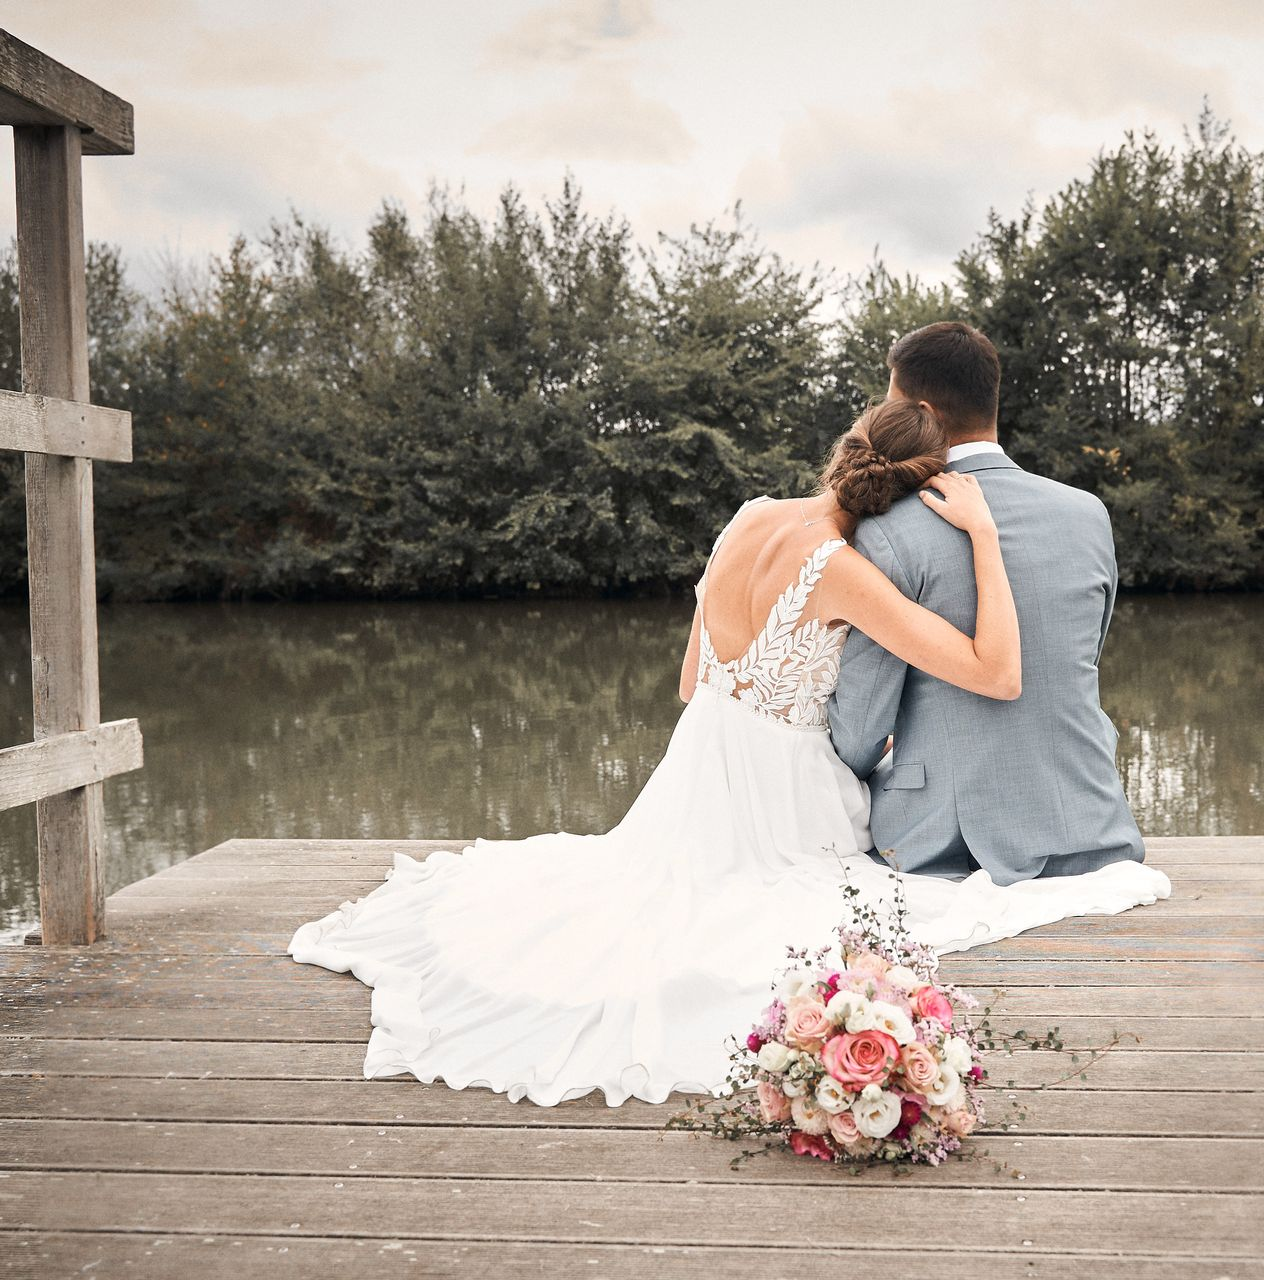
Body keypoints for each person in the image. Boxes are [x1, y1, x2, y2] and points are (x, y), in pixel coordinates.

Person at [288, 391, 1170, 1107]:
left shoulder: (750, 516)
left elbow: (689, 681)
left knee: (633, 888)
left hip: (693, 771)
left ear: (845, 450)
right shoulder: (843, 570)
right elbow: (995, 669)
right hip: (778, 798)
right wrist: (981, 536)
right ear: (910, 491)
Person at [830, 322, 1148, 882]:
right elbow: (1076, 662)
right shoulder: (1088, 514)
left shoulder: (886, 530)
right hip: (1086, 821)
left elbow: (860, 729)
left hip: (948, 843)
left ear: (922, 411)